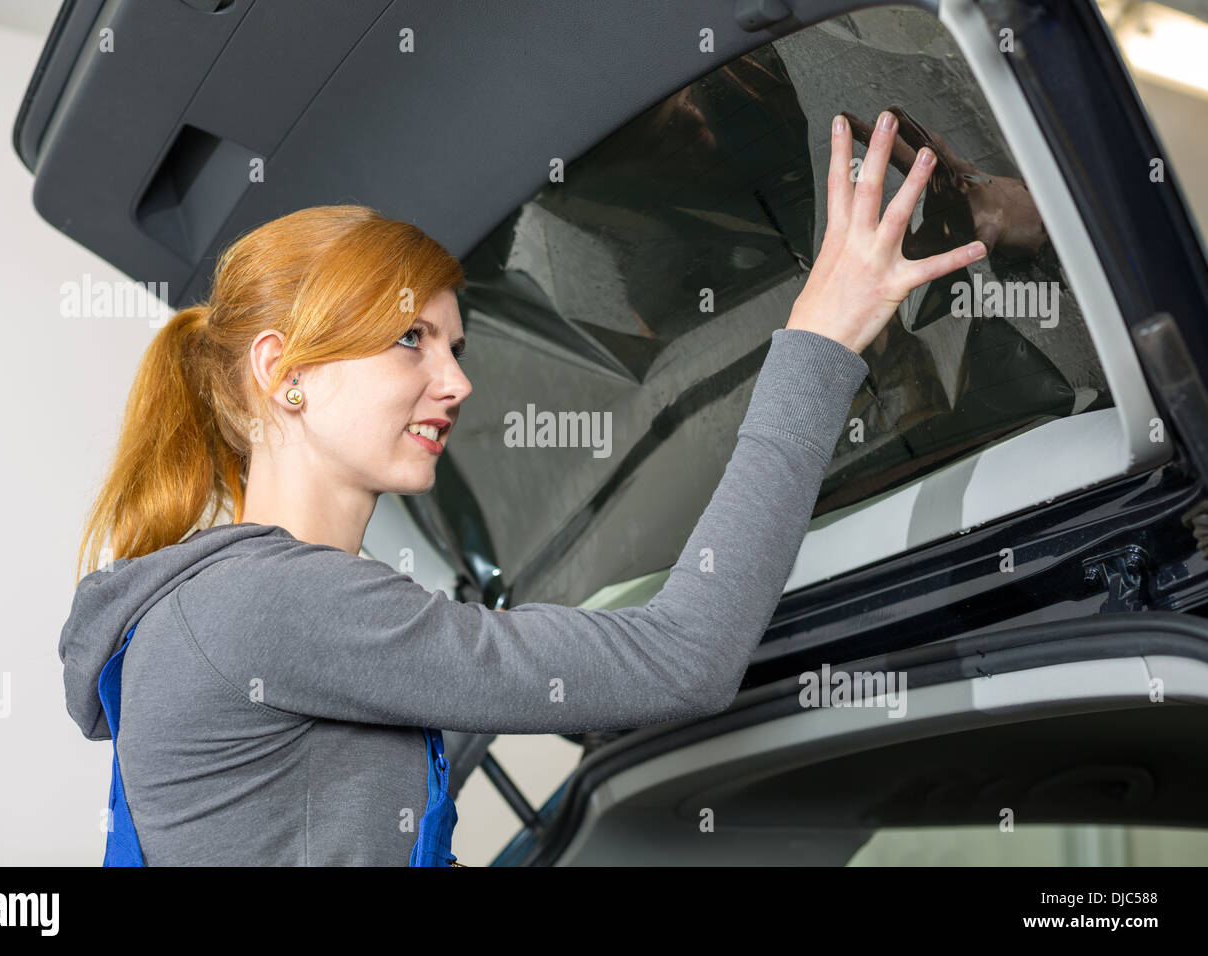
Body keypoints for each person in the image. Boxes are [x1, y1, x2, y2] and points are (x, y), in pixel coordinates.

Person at [59, 111, 987, 866]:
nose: (457, 382)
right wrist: (819, 339)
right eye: (408, 339)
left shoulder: (227, 606)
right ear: (283, 370)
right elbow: (686, 659)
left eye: (455, 347)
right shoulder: (270, 604)